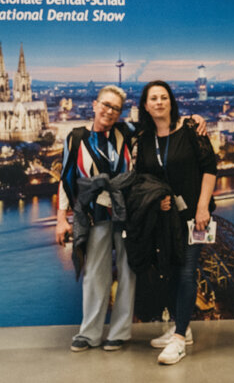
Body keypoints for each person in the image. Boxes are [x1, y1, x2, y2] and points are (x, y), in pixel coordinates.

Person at [134, 80, 216, 365]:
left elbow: (209, 168)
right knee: (168, 271)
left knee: (186, 272)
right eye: (153, 98)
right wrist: (156, 200)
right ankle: (185, 328)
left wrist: (203, 206)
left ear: (171, 102)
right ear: (145, 105)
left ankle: (179, 339)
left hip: (195, 215)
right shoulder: (144, 138)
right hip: (163, 218)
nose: (159, 102)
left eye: (163, 97)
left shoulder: (192, 129)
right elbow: (142, 179)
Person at [55, 85, 137, 352]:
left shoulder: (127, 133)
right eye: (105, 105)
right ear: (94, 105)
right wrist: (61, 218)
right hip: (95, 212)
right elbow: (67, 179)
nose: (109, 111)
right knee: (95, 273)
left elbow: (162, 125)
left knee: (128, 270)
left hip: (126, 211)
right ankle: (89, 333)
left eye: (115, 108)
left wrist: (192, 119)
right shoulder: (76, 137)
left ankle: (120, 332)